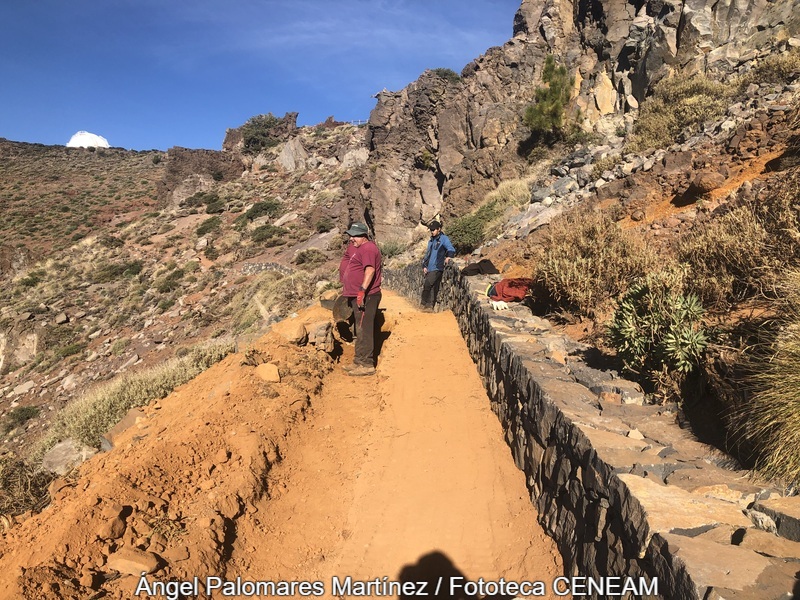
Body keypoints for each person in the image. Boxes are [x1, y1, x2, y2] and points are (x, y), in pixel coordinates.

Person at [338, 222, 383, 376]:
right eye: (350, 235)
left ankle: (367, 364)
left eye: (354, 236)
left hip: (368, 296)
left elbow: (370, 270)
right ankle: (358, 361)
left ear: (363, 236)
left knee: (364, 329)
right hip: (358, 295)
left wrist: (362, 291)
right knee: (360, 327)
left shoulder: (368, 248)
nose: (351, 239)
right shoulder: (360, 248)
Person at [421, 220, 455, 311]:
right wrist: (424, 266)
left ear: (439, 229)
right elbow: (427, 255)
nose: (432, 231)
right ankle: (427, 306)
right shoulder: (431, 241)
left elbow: (451, 248)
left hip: (437, 267)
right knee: (431, 286)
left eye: (433, 229)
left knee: (428, 284)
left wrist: (449, 257)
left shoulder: (444, 238)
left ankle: (427, 305)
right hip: (429, 268)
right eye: (431, 230)